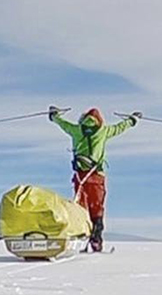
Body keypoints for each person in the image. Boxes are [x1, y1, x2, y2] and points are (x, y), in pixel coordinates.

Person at [49, 106, 141, 252]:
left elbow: (63, 124)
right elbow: (120, 127)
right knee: (97, 208)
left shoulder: (76, 130)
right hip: (97, 176)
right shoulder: (103, 131)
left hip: (80, 177)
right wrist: (133, 120)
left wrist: (54, 116)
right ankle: (96, 239)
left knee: (81, 207)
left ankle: (82, 237)